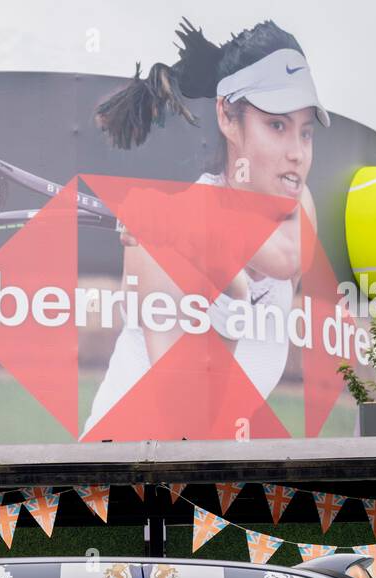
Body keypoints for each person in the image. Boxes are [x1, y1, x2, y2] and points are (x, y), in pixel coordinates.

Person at [83, 19, 328, 436]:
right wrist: (230, 297)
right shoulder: (157, 247)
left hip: (205, 479)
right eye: (276, 125)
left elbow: (286, 258)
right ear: (228, 119)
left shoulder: (296, 201)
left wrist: (191, 226)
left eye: (305, 133)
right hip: (119, 480)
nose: (296, 154)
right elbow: (186, 422)